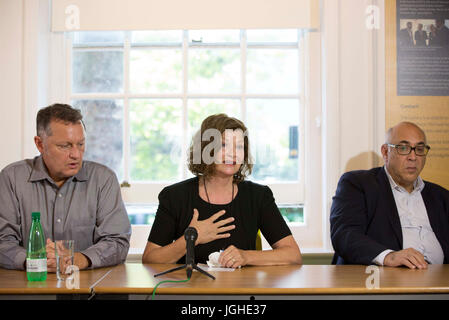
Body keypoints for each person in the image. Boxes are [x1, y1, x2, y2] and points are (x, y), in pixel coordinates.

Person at [142, 114, 301, 268]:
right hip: (190, 291)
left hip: (240, 291)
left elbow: (292, 255)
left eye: (239, 147)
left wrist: (246, 256)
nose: (233, 153)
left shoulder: (258, 196)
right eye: (224, 145)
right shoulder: (174, 196)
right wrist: (191, 238)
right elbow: (150, 259)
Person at [0, 103, 131, 271]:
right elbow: (3, 242)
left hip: (86, 289)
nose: (76, 154)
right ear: (40, 144)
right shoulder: (11, 178)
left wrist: (76, 259)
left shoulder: (103, 179)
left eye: (81, 144)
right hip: (30, 287)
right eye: (65, 146)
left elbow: (117, 242)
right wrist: (37, 261)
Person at [330, 122, 449, 268]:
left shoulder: (441, 196)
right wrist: (388, 256)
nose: (413, 157)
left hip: (439, 282)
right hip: (382, 281)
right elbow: (344, 234)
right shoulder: (358, 184)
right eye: (403, 148)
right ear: (386, 152)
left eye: (419, 149)